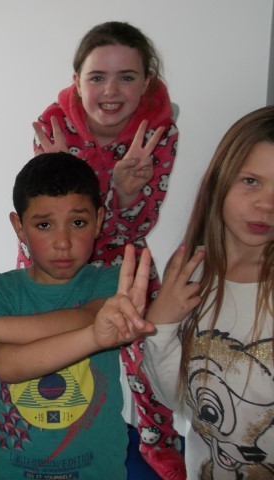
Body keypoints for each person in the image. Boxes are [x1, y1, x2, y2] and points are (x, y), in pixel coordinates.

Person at [0, 152, 148, 478]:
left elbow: (87, 318)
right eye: (44, 225)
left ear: (98, 220)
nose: (63, 242)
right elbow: (8, 366)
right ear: (19, 227)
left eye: (78, 223)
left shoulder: (111, 282)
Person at [30, 21, 182, 479]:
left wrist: (124, 194)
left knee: (148, 349)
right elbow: (47, 223)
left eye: (126, 77)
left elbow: (141, 224)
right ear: (77, 81)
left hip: (123, 257)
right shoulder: (53, 127)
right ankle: (51, 438)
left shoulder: (159, 132)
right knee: (52, 355)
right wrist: (74, 179)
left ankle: (159, 445)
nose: (111, 91)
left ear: (146, 82)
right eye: (97, 77)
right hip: (57, 258)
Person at [142, 105, 274, 479]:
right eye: (251, 181)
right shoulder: (192, 271)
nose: (266, 204)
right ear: (220, 180)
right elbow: (178, 401)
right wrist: (159, 327)